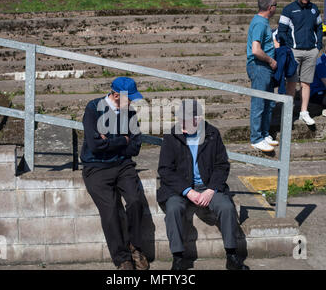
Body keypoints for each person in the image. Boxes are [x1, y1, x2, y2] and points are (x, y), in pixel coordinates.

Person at [157, 99, 249, 270]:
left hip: (208, 186)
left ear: (197, 119)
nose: (181, 124)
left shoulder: (212, 134)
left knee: (227, 207)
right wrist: (187, 191)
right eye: (180, 119)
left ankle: (232, 256)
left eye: (185, 120)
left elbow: (222, 165)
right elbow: (165, 170)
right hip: (181, 189)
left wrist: (211, 190)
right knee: (173, 209)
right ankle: (178, 259)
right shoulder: (171, 136)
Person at [80, 76, 149, 270]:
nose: (133, 101)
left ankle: (135, 247)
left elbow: (135, 146)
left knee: (135, 201)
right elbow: (95, 146)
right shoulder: (93, 109)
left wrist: (110, 141)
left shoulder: (130, 113)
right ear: (116, 95)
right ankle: (122, 259)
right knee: (110, 212)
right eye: (130, 98)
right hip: (96, 167)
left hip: (123, 165)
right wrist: (122, 140)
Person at [278, 0, 323, 126]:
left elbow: (320, 28)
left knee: (306, 83)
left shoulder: (314, 9)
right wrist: (288, 49)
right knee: (291, 82)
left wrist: (318, 47)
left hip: (311, 51)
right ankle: (288, 111)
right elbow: (281, 31)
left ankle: (304, 112)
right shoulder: (288, 9)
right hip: (294, 52)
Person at [246, 0, 279, 152]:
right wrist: (271, 60)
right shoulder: (259, 23)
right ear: (269, 8)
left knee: (269, 102)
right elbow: (256, 50)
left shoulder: (263, 22)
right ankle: (256, 138)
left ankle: (264, 134)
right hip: (260, 67)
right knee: (259, 103)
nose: (276, 9)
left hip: (265, 68)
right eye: (275, 6)